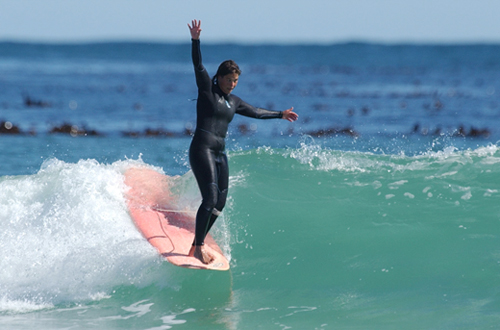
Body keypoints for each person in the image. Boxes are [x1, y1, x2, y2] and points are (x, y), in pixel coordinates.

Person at [187, 19, 298, 264]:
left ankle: (199, 239)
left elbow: (256, 111)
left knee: (220, 201)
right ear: (219, 77)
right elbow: (198, 65)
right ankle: (197, 247)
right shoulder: (208, 90)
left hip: (219, 152)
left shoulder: (233, 101)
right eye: (229, 80)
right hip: (202, 149)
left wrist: (281, 114)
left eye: (236, 81)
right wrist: (196, 40)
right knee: (209, 198)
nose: (232, 84)